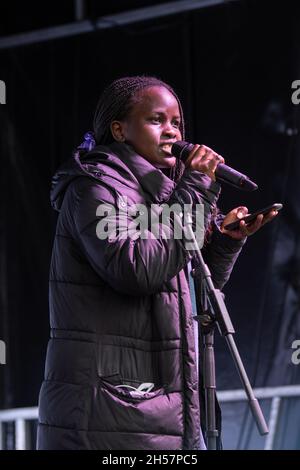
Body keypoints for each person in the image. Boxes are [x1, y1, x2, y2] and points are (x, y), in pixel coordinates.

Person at [37, 75, 278, 450]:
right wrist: (197, 186)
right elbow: (137, 269)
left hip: (167, 411)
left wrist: (226, 244)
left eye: (177, 123)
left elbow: (190, 285)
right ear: (119, 129)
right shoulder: (94, 187)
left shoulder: (168, 195)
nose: (172, 131)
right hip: (108, 415)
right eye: (156, 120)